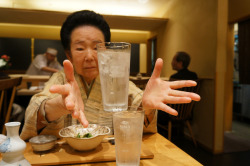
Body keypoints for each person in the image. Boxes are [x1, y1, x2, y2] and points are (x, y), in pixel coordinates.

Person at [20, 10, 200, 140]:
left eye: (97, 47)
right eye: (80, 48)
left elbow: (138, 100)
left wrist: (146, 107)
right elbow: (35, 109)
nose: (90, 56)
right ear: (68, 54)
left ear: (106, 50)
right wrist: (59, 105)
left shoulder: (116, 78)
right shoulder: (62, 79)